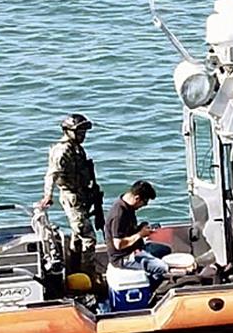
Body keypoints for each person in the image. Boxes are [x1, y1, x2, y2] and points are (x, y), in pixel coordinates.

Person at [38, 114, 103, 270]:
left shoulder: (77, 149)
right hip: (72, 197)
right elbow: (51, 174)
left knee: (78, 235)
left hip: (83, 195)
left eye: (83, 132)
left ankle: (75, 269)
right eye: (79, 132)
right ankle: (89, 274)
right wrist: (48, 195)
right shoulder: (62, 151)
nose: (82, 136)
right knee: (89, 238)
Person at [105, 180, 170, 284]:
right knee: (163, 268)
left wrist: (141, 228)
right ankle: (154, 289)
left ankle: (150, 269)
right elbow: (119, 244)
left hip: (136, 248)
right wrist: (140, 234)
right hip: (124, 257)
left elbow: (128, 231)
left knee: (165, 250)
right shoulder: (119, 215)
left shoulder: (128, 206)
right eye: (144, 203)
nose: (143, 206)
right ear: (137, 198)